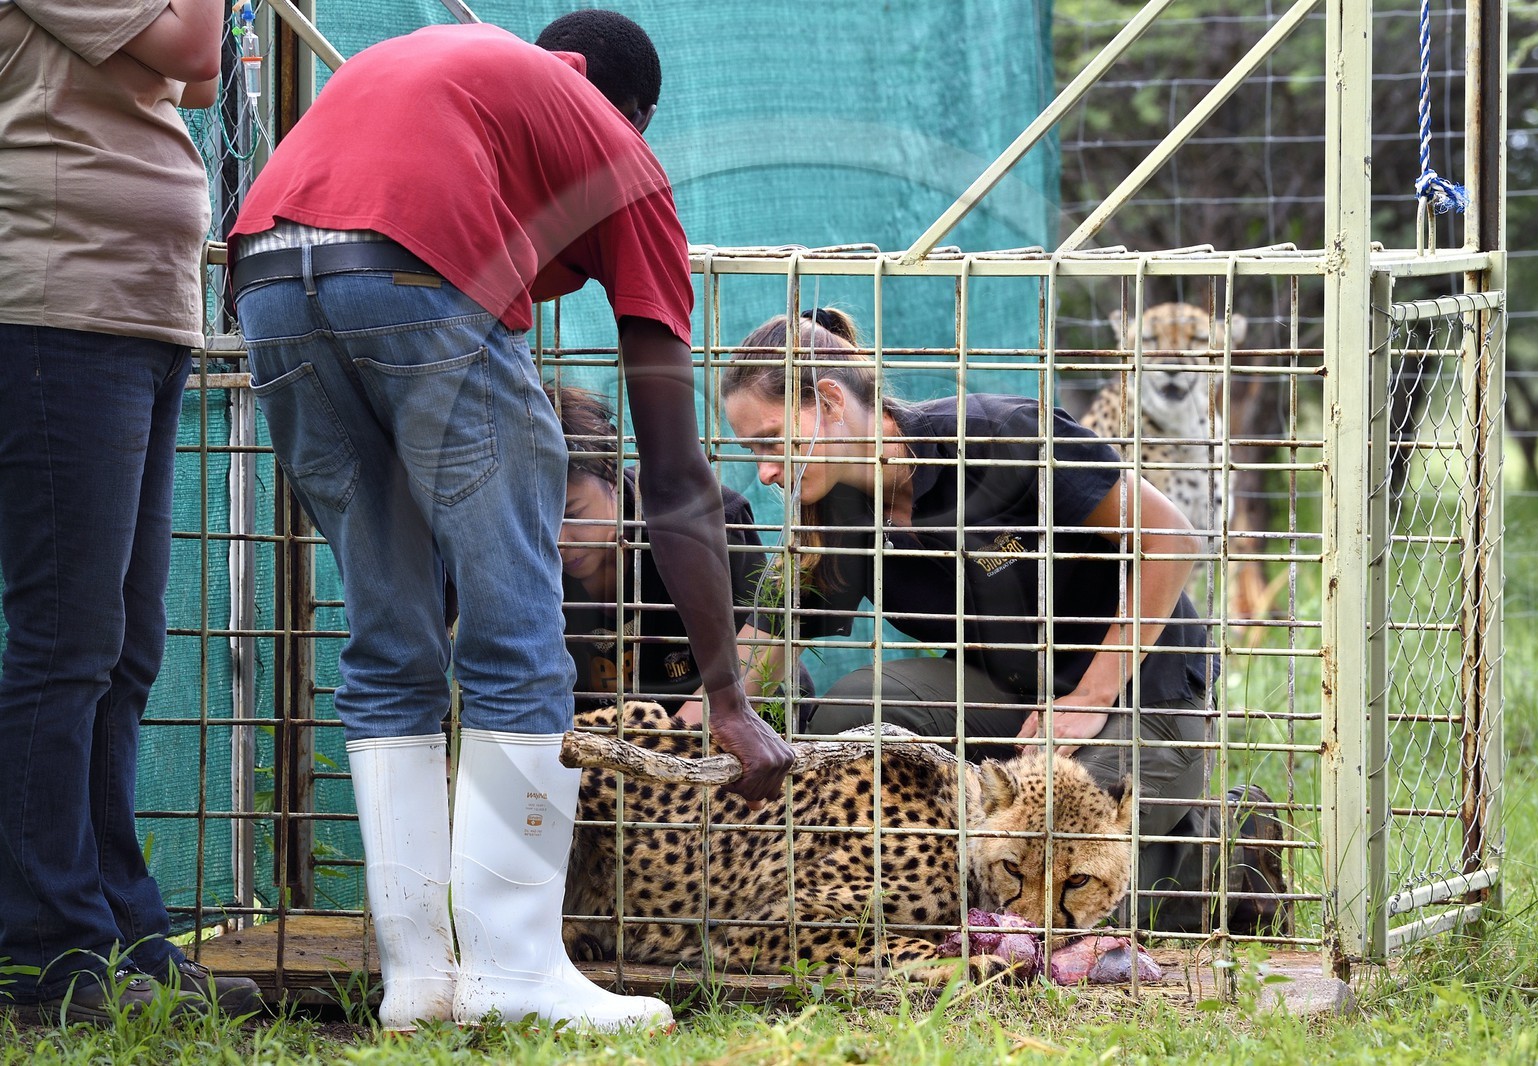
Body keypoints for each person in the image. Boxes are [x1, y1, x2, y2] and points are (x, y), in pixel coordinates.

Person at [227, 11, 793, 1032]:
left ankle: (420, 979)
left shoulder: (458, 80)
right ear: (636, 116)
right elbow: (670, 472)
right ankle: (515, 971)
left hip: (265, 268)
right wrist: (726, 693)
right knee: (517, 632)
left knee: (389, 634)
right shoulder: (623, 155)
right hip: (411, 263)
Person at [719, 308, 1286, 935]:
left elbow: (1171, 537)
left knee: (1052, 852)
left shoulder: (996, 435)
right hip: (1015, 704)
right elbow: (764, 647)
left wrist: (1094, 693)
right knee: (850, 715)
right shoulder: (833, 511)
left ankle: (1222, 846)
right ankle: (972, 872)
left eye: (772, 441)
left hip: (1135, 693)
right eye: (752, 452)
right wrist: (693, 739)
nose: (766, 470)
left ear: (827, 401)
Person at [0, 0, 265, 1025]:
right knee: (68, 641)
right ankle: (45, 952)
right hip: (56, 304)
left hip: (131, 307)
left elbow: (192, 84)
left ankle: (116, 926)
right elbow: (196, 48)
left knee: (124, 645)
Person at [549, 382, 812, 722]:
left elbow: (759, 655)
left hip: (737, 722)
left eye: (572, 513)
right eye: (541, 520)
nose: (558, 539)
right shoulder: (524, 548)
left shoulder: (704, 519)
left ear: (611, 472)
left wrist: (670, 746)